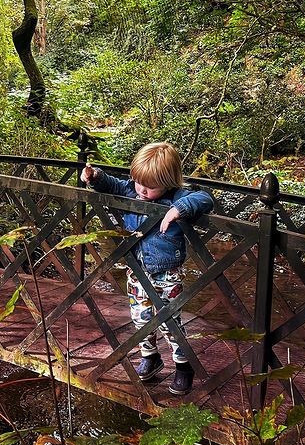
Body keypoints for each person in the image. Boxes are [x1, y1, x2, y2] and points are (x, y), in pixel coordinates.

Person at [81, 142, 213, 395]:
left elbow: (205, 198)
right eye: (138, 181)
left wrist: (178, 209)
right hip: (137, 269)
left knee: (170, 323)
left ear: (169, 183)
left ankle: (184, 367)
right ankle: (150, 357)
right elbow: (112, 184)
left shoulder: (177, 196)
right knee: (140, 317)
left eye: (150, 187)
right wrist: (94, 176)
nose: (141, 190)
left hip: (166, 272)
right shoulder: (132, 189)